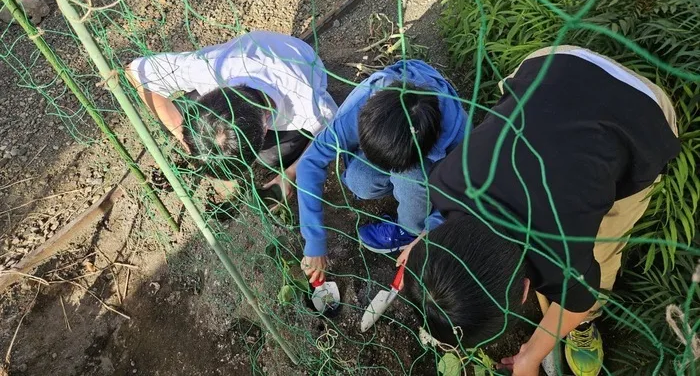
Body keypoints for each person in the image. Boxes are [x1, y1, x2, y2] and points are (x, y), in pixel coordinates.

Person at [402, 46, 680, 376]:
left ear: (524, 291)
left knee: (602, 254)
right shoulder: (445, 181)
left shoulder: (561, 258)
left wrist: (531, 355)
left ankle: (583, 327)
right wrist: (425, 243)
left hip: (643, 109)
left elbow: (580, 297)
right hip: (551, 63)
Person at [297, 60, 468, 283]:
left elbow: (464, 191)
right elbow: (310, 162)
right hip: (398, 138)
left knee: (413, 175)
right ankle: (399, 181)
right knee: (359, 181)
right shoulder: (363, 109)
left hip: (428, 164)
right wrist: (314, 242)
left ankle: (409, 230)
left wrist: (429, 232)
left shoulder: (461, 136)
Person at [126, 31, 337, 188]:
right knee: (176, 112)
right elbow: (134, 71)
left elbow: (334, 133)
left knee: (270, 158)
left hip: (299, 60)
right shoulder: (204, 69)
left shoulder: (307, 104)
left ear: (264, 129)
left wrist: (290, 175)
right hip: (245, 61)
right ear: (210, 95)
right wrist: (183, 137)